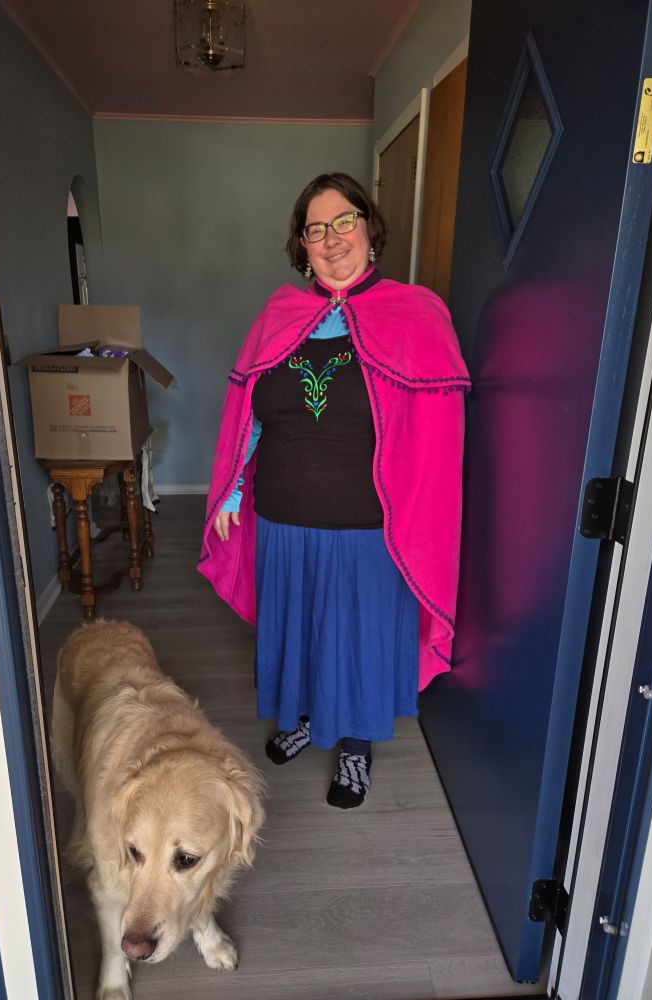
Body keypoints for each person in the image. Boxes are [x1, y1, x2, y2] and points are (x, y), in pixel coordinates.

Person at [198, 173, 470, 809]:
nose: (331, 238)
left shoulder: (417, 313)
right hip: (285, 520)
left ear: (370, 229)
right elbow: (250, 414)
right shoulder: (278, 316)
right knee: (296, 629)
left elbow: (434, 436)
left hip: (368, 528)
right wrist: (233, 491)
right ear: (302, 245)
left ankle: (354, 745)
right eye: (316, 229)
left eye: (344, 221)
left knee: (357, 639)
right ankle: (304, 719)